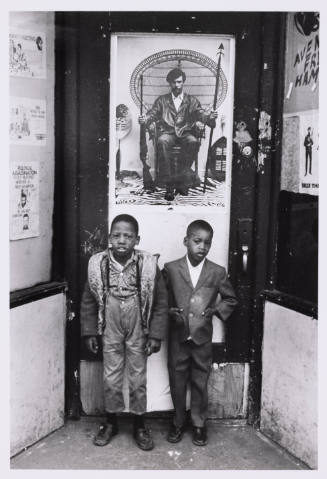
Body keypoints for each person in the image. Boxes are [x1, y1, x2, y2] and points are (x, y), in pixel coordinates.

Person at [80, 214, 168, 450]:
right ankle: (111, 421)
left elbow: (160, 302)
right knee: (111, 376)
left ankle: (140, 424)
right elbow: (89, 300)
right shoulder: (97, 264)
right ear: (109, 237)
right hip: (110, 322)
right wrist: (89, 332)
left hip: (138, 322)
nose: (122, 240)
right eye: (117, 235)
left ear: (137, 239)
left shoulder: (148, 264)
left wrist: (156, 335)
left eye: (128, 236)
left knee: (138, 377)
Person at [163, 220, 238, 446]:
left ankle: (198, 424)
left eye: (207, 243)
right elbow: (161, 299)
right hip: (178, 336)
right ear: (186, 241)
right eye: (197, 241)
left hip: (202, 338)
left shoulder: (217, 272)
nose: (202, 247)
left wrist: (216, 310)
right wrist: (168, 311)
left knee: (200, 381)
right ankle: (178, 421)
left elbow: (231, 299)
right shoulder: (170, 269)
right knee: (177, 380)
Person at [139, 68, 218, 201]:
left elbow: (201, 114)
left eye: (179, 82)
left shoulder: (191, 100)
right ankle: (169, 185)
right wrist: (144, 119)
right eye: (174, 82)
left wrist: (210, 117)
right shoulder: (162, 100)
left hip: (185, 132)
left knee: (193, 141)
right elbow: (152, 114)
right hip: (167, 133)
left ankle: (182, 180)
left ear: (183, 82)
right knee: (162, 141)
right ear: (169, 83)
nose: (177, 85)